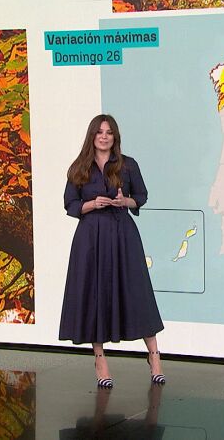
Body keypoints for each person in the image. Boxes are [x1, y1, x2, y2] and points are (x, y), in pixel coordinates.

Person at [59, 114, 165, 387]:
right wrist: (92, 204)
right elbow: (70, 203)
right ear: (92, 136)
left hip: (122, 235)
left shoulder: (128, 165)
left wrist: (124, 201)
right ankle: (100, 359)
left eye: (109, 132)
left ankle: (154, 355)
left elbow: (141, 197)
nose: (104, 136)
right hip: (90, 238)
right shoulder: (79, 167)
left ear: (115, 136)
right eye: (99, 132)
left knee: (137, 292)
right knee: (95, 295)